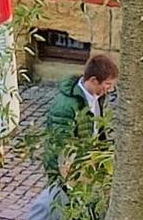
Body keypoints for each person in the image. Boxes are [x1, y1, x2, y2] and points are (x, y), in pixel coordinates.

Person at [42, 54, 118, 185]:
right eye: (107, 84)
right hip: (70, 169)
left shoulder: (99, 98)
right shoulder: (65, 106)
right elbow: (62, 144)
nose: (109, 89)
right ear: (94, 80)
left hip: (88, 164)